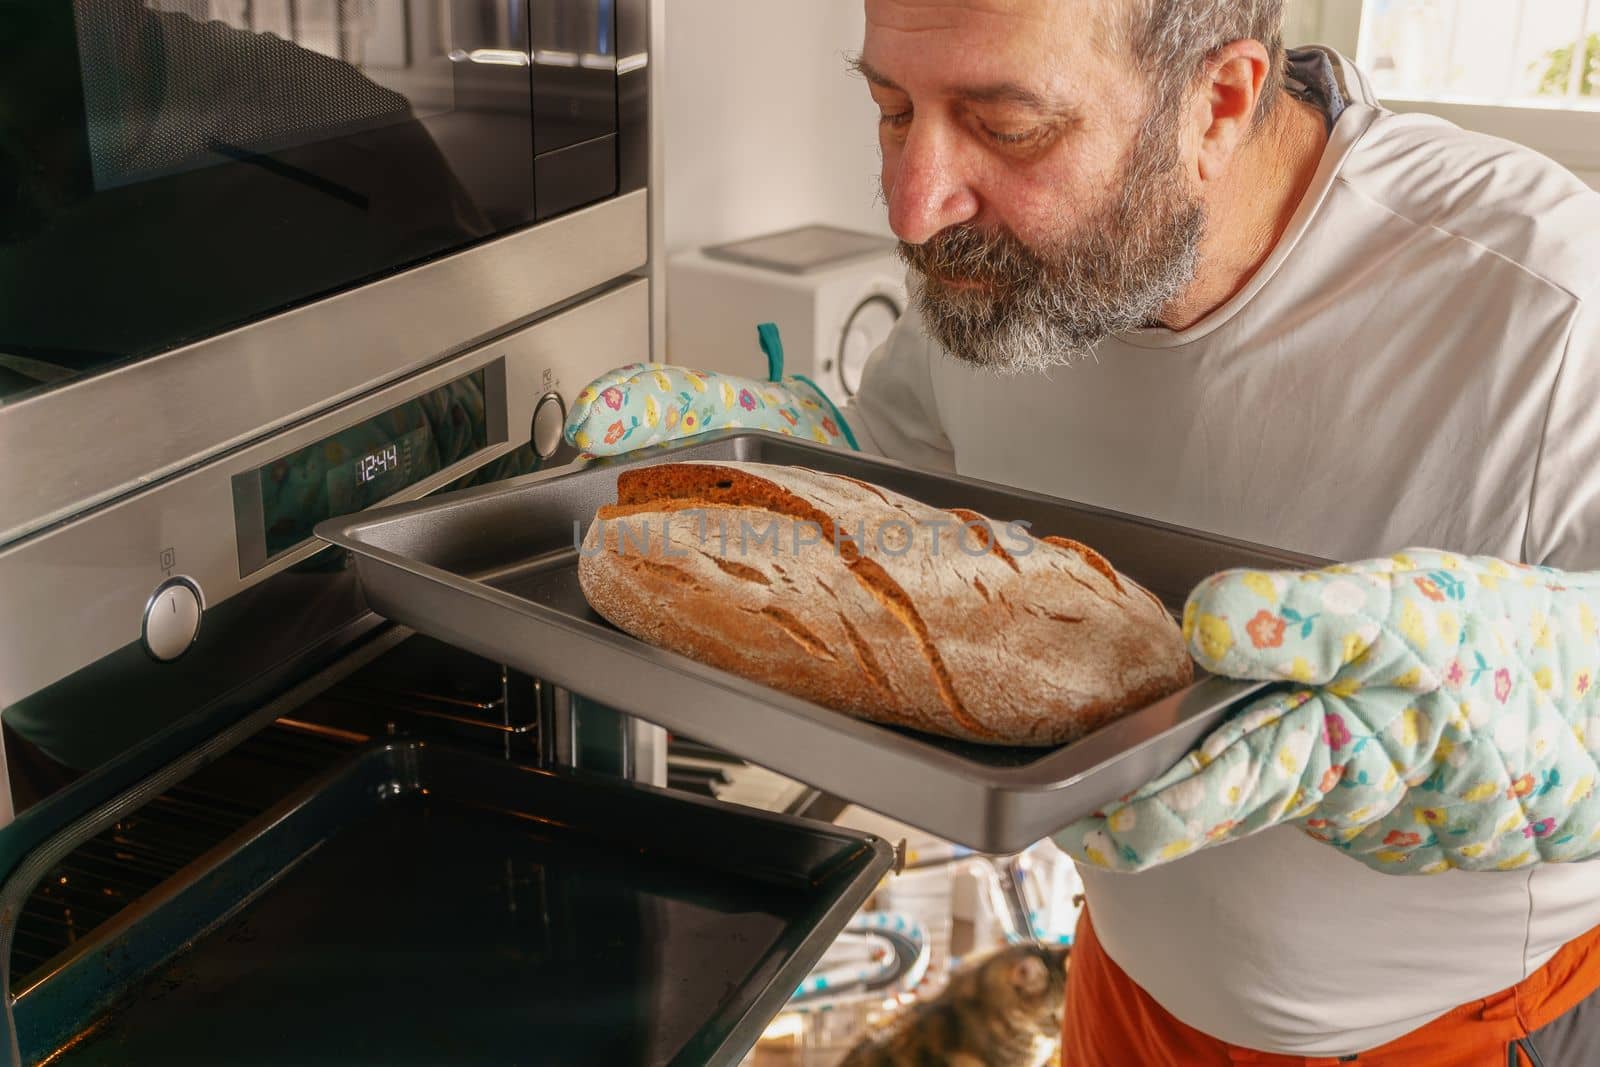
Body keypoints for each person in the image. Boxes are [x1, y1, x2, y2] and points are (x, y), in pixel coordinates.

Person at [565, 0, 1600, 1059]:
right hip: (1119, 987)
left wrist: (1559, 707)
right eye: (888, 109)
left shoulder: (1550, 308)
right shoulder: (998, 273)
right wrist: (809, 464)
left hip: (1456, 1033)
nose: (915, 209)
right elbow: (915, 473)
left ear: (1217, 102)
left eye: (1007, 128)